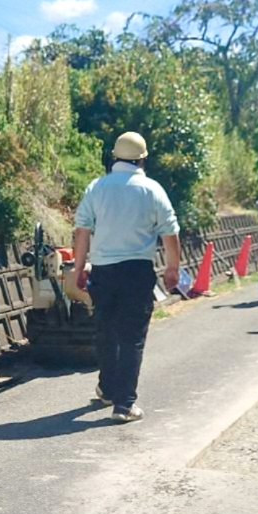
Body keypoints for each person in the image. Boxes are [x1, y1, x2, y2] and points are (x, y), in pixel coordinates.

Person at [72, 131, 182, 423]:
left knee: (106, 331)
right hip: (137, 271)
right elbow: (170, 231)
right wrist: (173, 269)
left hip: (103, 270)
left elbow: (82, 230)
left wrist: (79, 267)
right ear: (143, 159)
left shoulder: (97, 187)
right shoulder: (152, 189)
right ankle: (124, 404)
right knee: (132, 337)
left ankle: (108, 389)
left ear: (114, 158)